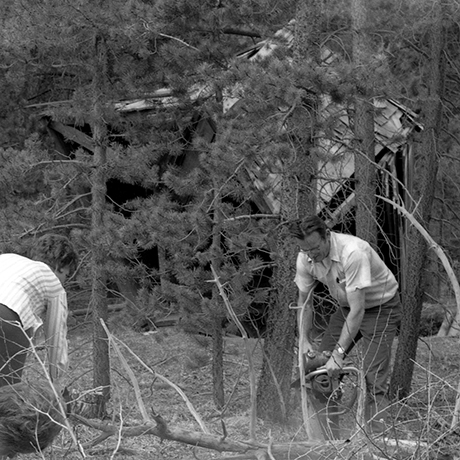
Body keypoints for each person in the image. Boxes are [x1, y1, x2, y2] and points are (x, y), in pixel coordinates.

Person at [290, 216, 401, 434]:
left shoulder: (353, 252)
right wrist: (304, 339)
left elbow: (359, 310)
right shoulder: (305, 258)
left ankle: (377, 444)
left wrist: (339, 353)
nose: (311, 254)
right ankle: (330, 441)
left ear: (327, 235)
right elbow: (305, 303)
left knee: (373, 379)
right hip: (346, 308)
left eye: (315, 247)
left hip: (381, 308)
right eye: (305, 250)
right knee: (320, 371)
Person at [0, 234, 78, 387]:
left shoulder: (7, 258)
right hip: (7, 318)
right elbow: (56, 340)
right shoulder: (54, 282)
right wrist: (56, 384)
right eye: (66, 275)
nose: (64, 281)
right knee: (7, 394)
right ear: (61, 267)